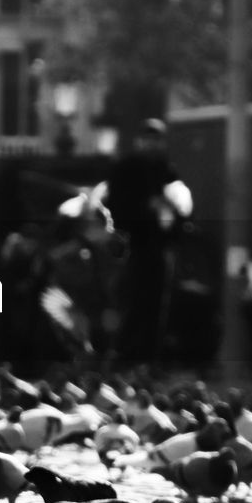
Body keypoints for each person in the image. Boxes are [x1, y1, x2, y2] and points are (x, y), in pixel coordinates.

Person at [100, 118, 193, 368]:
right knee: (133, 303)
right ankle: (123, 357)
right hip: (133, 246)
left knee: (155, 306)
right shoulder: (127, 168)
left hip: (159, 247)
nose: (152, 145)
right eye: (148, 139)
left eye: (156, 139)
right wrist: (147, 208)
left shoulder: (165, 169)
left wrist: (171, 215)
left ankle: (147, 360)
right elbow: (117, 206)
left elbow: (180, 208)